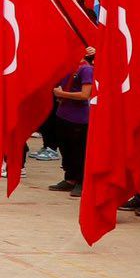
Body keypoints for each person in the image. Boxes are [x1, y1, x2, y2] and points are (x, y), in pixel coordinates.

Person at [47, 51, 94, 197]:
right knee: (65, 150)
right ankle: (70, 178)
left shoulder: (86, 69)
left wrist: (62, 94)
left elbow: (85, 94)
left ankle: (81, 180)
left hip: (79, 118)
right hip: (63, 114)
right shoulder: (67, 67)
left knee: (78, 152)